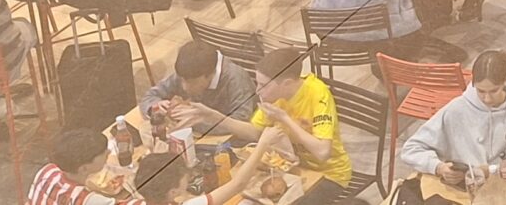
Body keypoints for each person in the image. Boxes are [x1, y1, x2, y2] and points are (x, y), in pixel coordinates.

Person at [202, 49, 355, 192]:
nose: (257, 91)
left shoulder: (317, 94)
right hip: (292, 169)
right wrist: (216, 117)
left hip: (330, 175)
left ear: (286, 83)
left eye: (263, 85)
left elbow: (323, 152)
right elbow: (254, 132)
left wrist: (284, 118)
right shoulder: (271, 96)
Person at [398, 50, 506, 185]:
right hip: (465, 187)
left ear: (505, 80)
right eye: (481, 91)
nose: (487, 99)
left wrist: (491, 171)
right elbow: (412, 149)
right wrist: (439, 167)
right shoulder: (458, 108)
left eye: (493, 91)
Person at [27, 127, 275, 205]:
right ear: (173, 194)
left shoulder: (47, 171)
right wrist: (263, 142)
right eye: (103, 154)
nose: (108, 155)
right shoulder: (91, 201)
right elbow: (239, 183)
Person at [143, 39, 259, 125]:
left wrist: (196, 121)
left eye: (191, 82)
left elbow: (241, 121)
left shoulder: (236, 79)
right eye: (182, 80)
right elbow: (150, 96)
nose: (184, 87)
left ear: (209, 75)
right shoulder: (188, 71)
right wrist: (155, 107)